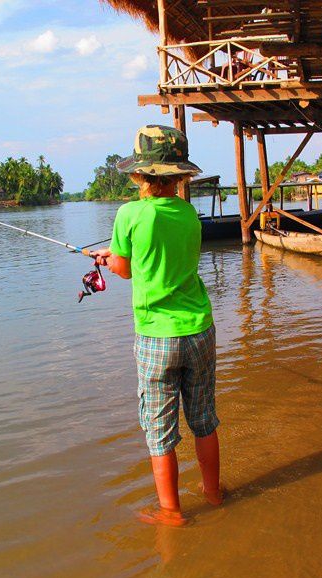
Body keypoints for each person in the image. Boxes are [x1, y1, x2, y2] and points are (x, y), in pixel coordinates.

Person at [93, 125, 223, 526]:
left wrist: (106, 258)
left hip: (156, 337)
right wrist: (115, 256)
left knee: (159, 430)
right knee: (204, 419)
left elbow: (126, 270)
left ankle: (171, 513)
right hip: (199, 329)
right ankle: (214, 494)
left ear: (139, 175)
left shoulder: (129, 214)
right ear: (179, 176)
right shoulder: (188, 214)